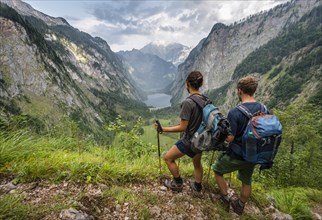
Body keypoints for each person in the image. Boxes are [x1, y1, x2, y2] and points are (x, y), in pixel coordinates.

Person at [211, 75, 263, 215]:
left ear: (239, 90)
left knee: (217, 170)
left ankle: (225, 198)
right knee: (247, 180)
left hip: (238, 154)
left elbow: (230, 138)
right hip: (254, 154)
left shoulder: (235, 112)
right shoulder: (263, 109)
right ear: (254, 90)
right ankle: (240, 205)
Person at [155, 71, 205, 193]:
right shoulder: (205, 100)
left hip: (189, 140)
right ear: (201, 83)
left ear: (187, 84)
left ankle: (177, 183)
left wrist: (163, 129)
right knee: (197, 163)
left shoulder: (188, 102)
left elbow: (183, 127)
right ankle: (197, 187)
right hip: (201, 139)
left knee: (168, 158)